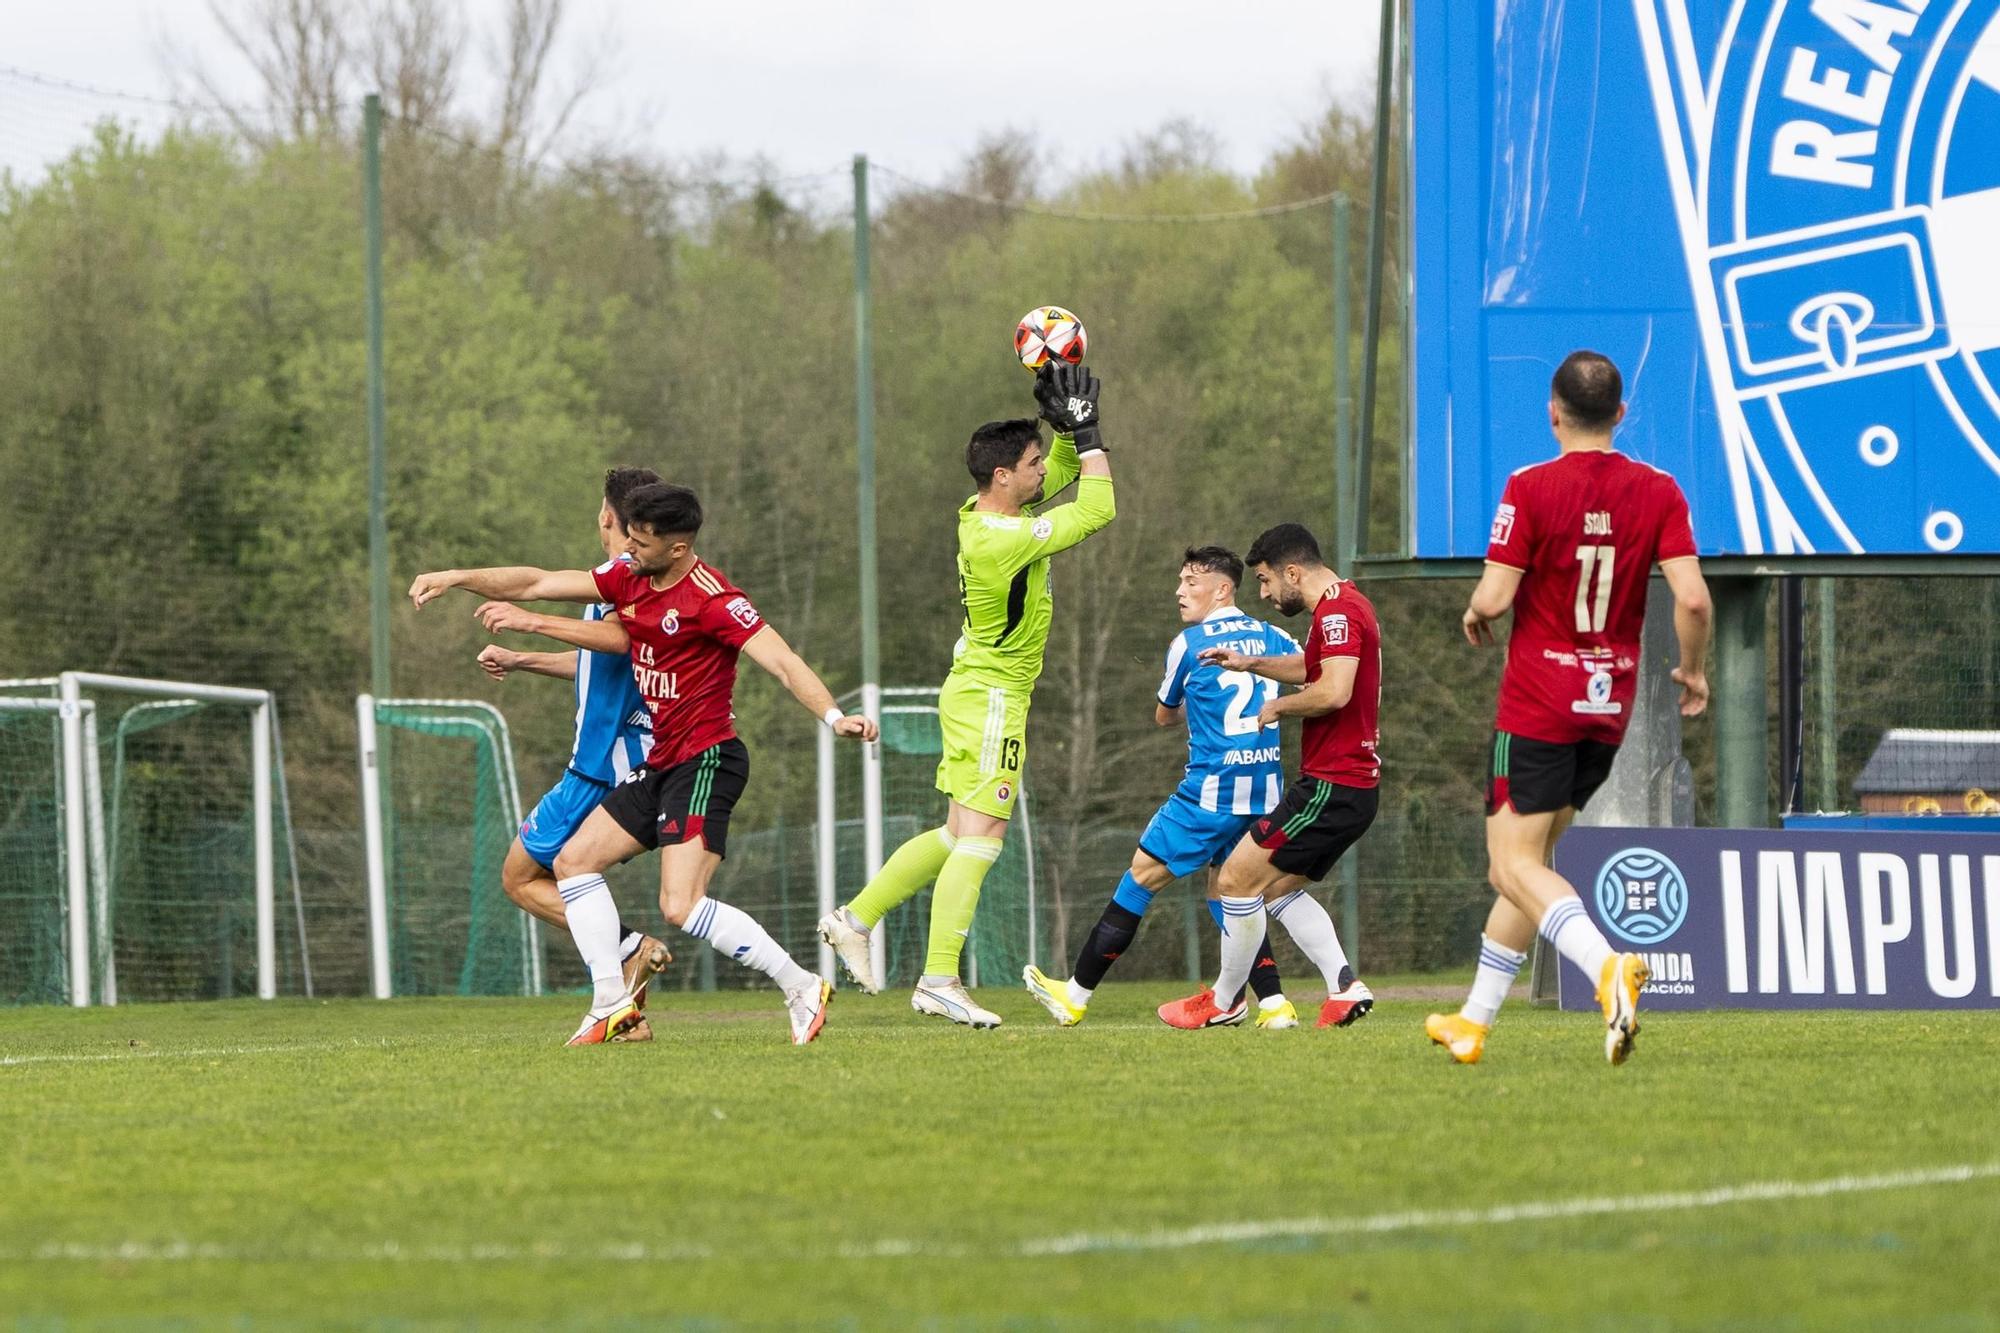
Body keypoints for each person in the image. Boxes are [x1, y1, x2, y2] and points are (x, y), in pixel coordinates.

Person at [409, 481, 878, 1047]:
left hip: (707, 762)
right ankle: (611, 1002)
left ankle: (801, 985)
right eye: (626, 538)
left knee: (679, 906)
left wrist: (833, 717)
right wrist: (457, 577)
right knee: (573, 862)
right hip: (660, 763)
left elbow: (782, 662)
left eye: (642, 543)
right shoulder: (629, 574)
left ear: (678, 548)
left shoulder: (715, 600)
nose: (628, 552)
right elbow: (535, 581)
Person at [1427, 349, 1711, 1066]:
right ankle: (1473, 1020)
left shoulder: (1530, 485)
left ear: (1553, 412)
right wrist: (1694, 670)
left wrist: (1475, 609)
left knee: (1509, 865)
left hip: (1538, 704)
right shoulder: (1660, 489)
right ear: (1621, 413)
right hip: (1606, 705)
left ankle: (1606, 964)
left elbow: (1493, 597)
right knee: (1536, 861)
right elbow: (1694, 597)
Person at [818, 361, 1115, 1028]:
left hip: (975, 687)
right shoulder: (1004, 538)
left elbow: (1064, 480)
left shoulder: (985, 513)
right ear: (1003, 476)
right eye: (1032, 461)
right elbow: (1098, 504)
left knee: (956, 833)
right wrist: (1090, 432)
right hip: (991, 699)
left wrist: (1065, 432)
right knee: (983, 837)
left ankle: (853, 918)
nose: (1042, 470)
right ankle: (938, 978)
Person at [1022, 545, 1298, 1029]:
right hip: (1263, 792)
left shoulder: (1189, 644)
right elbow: (1314, 679)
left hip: (1208, 793)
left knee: (1139, 879)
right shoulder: (1276, 635)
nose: (1180, 591)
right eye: (1180, 581)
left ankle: (1075, 994)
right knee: (1231, 894)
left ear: (1223, 589)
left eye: (1192, 582)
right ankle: (1274, 1005)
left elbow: (1164, 715)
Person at [472, 467, 671, 1041]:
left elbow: (620, 643)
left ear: (609, 517)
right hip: (620, 761)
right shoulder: (624, 577)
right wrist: (523, 659)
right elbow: (602, 669)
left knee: (521, 877)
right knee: (548, 872)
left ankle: (628, 958)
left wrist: (530, 623)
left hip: (601, 767)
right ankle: (624, 989)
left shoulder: (622, 580)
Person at [1158, 523, 1379, 1031]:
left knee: (1234, 880)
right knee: (1273, 890)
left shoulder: (1339, 613)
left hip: (1331, 784)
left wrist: (1278, 706)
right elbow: (1312, 668)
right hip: (1350, 786)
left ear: (1293, 572)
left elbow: (1334, 691)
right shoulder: (1345, 604)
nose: (1263, 593)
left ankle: (1224, 1001)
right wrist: (1251, 662)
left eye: (1264, 581)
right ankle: (1344, 987)